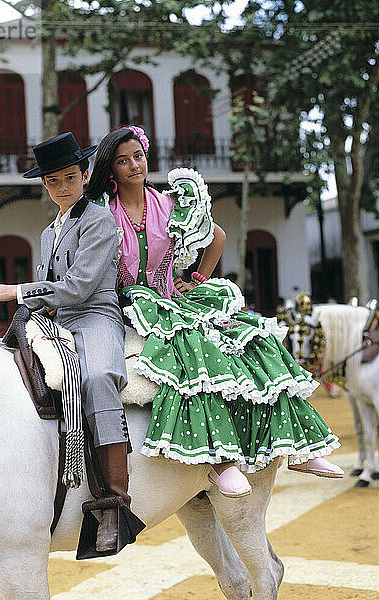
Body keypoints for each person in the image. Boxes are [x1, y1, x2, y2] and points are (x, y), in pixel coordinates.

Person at [85, 125, 344, 498]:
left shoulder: (170, 204)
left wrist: (198, 276)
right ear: (111, 169)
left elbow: (217, 236)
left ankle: (299, 449)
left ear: (146, 157)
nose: (133, 166)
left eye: (138, 157)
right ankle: (221, 463)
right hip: (130, 304)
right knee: (196, 353)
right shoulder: (102, 212)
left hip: (171, 295)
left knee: (255, 339)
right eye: (122, 161)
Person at [0, 132, 134, 553]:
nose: (62, 187)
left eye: (70, 177)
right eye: (53, 182)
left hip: (95, 316)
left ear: (85, 175)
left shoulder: (100, 220)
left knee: (99, 377)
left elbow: (79, 286)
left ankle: (113, 503)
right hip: (56, 318)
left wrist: (17, 292)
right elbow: (54, 292)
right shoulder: (49, 233)